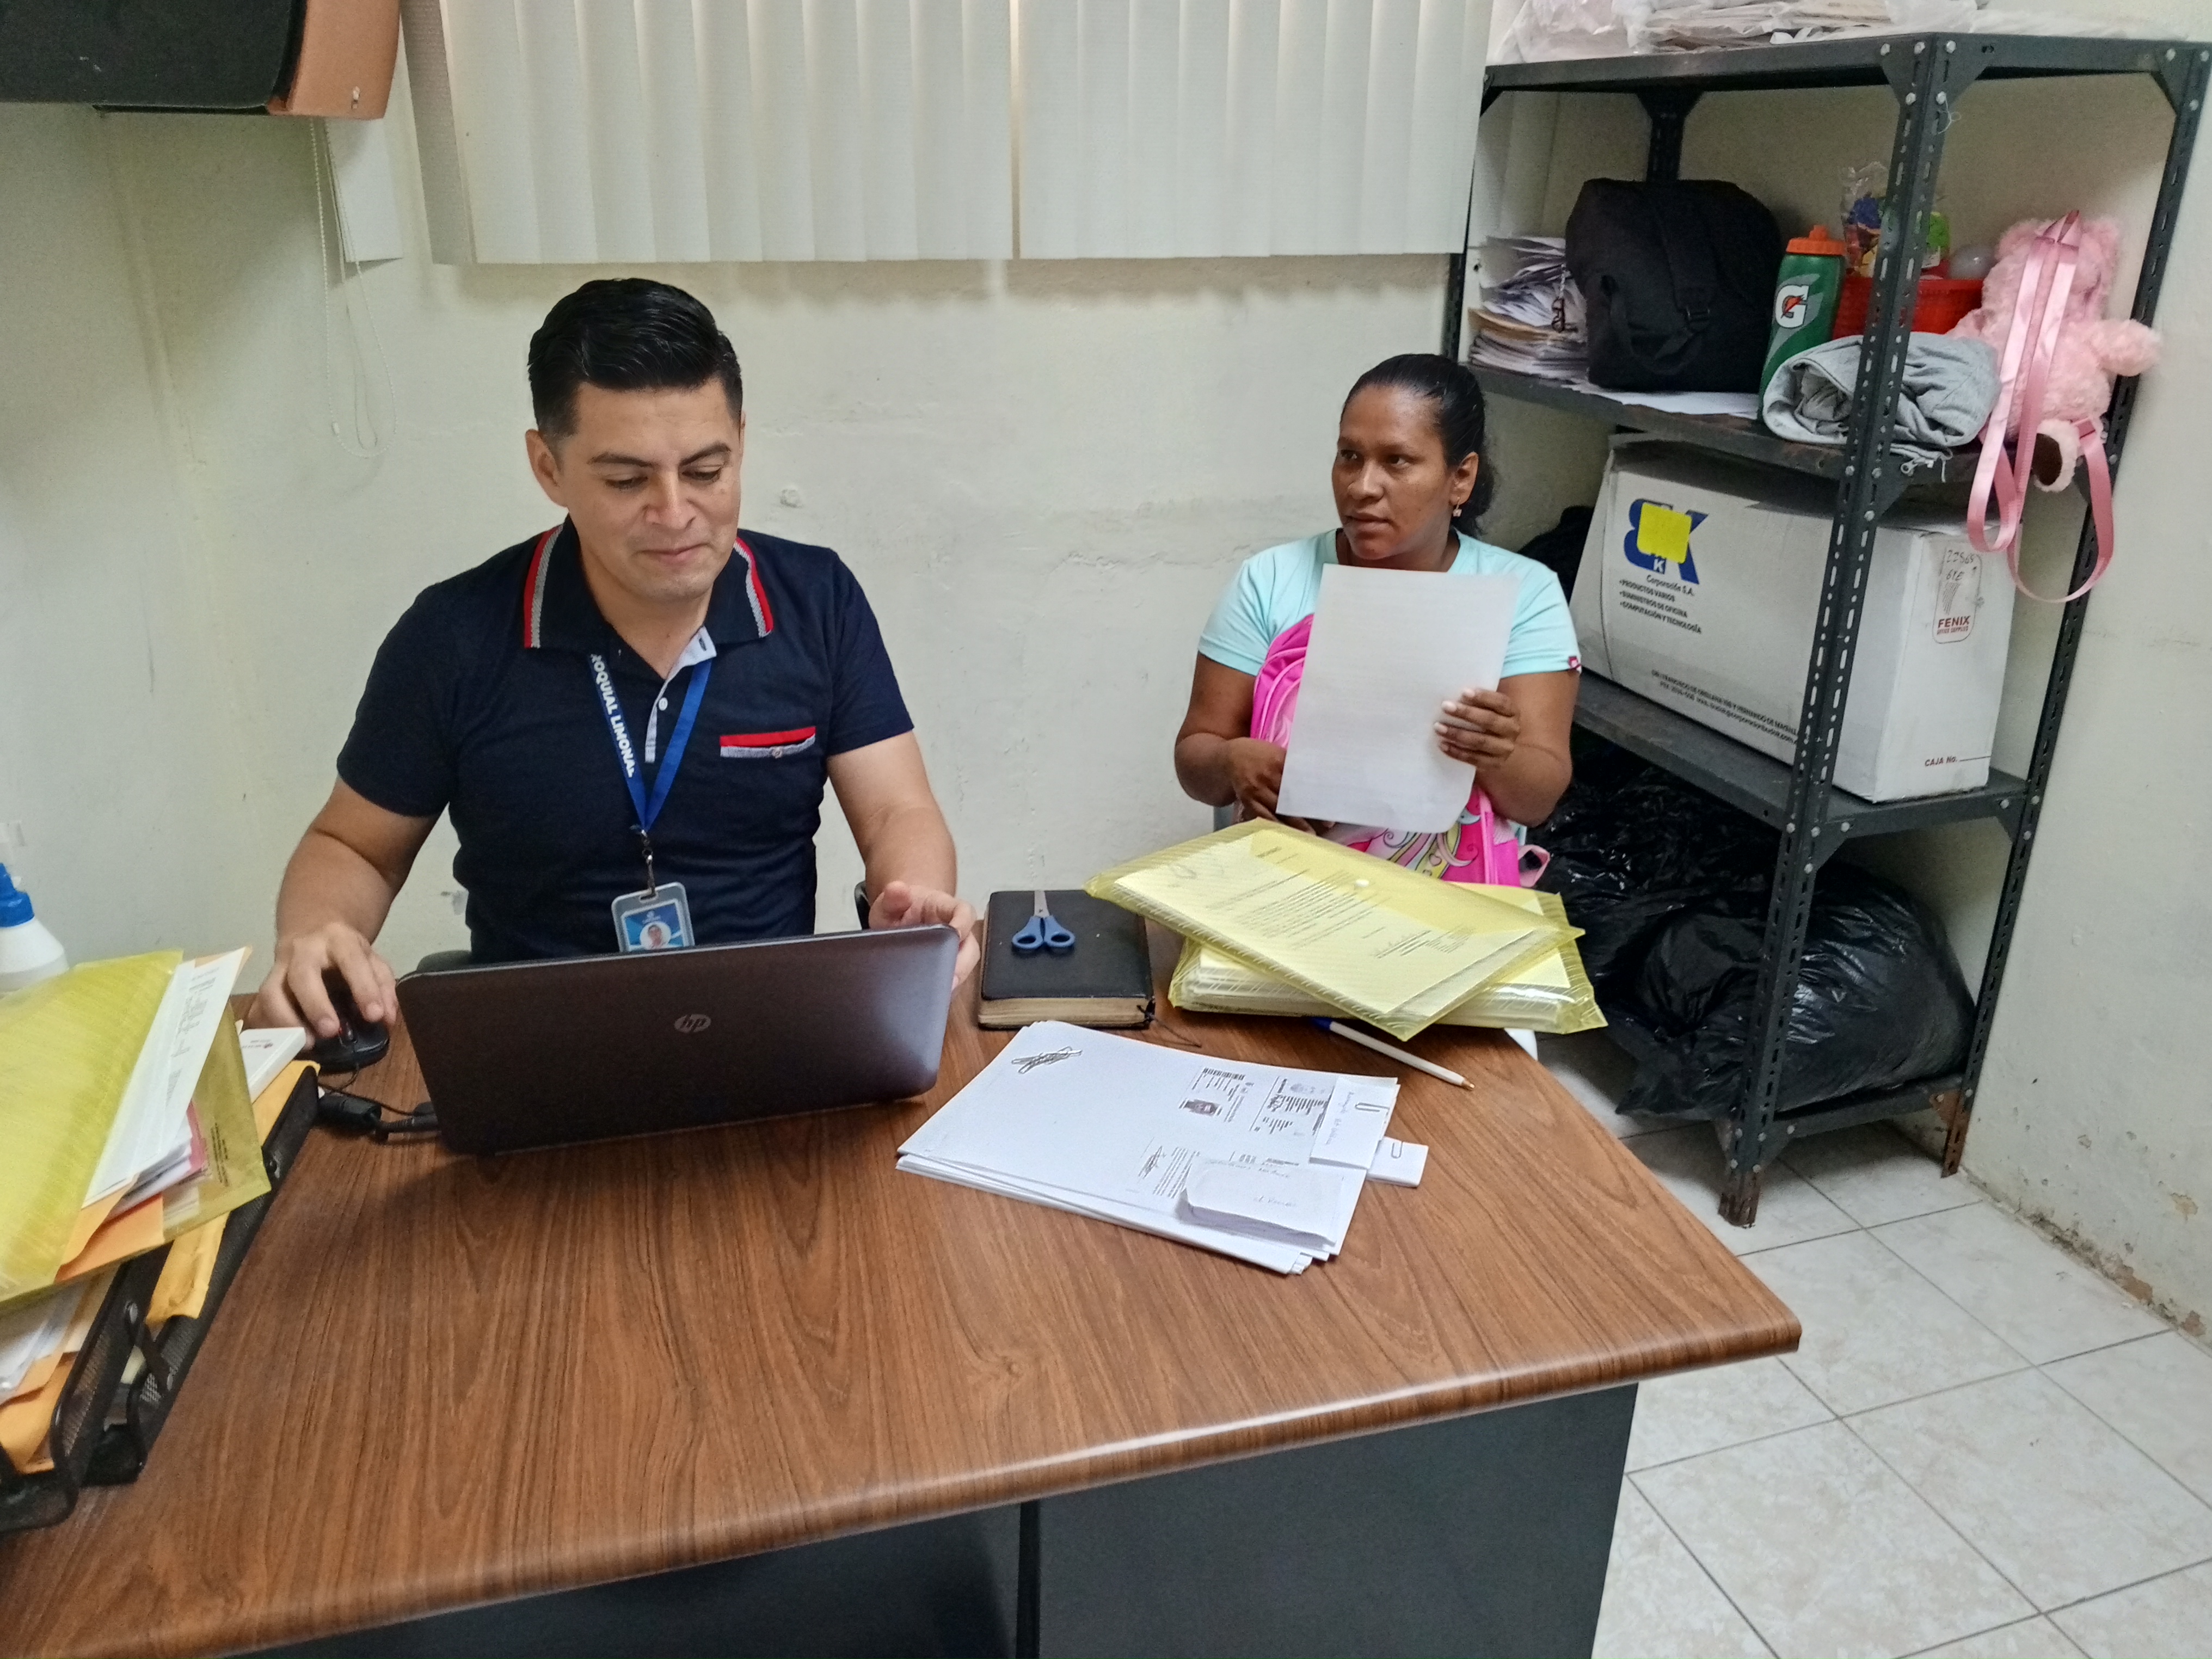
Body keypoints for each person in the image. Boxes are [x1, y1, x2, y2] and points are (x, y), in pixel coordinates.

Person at [250, 279, 978, 1039]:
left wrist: (912, 900)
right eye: (627, 480)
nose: (675, 513)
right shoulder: (454, 636)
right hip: (539, 1044)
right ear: (548, 468)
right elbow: (354, 847)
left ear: (740, 442)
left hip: (772, 1032)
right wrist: (319, 933)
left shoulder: (816, 602)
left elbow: (897, 811)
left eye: (706, 471)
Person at [1173, 354, 1578, 874]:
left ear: (1461, 478)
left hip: (1449, 897)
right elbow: (1195, 758)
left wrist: (1495, 753)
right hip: (1284, 884)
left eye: (1397, 461)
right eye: (1349, 456)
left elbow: (1536, 800)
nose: (1362, 486)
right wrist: (1231, 762)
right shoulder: (1270, 581)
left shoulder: (1522, 594)